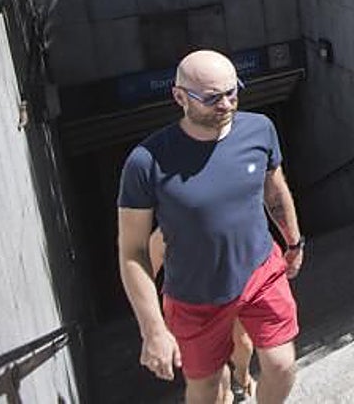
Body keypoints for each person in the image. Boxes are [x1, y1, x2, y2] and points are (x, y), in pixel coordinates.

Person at [117, 50, 305, 404]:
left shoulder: (260, 129)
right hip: (194, 298)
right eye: (212, 98)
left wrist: (293, 242)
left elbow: (274, 190)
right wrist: (152, 328)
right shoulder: (145, 163)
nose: (226, 104)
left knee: (282, 366)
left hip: (260, 273)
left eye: (232, 92)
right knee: (206, 390)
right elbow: (133, 251)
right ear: (179, 97)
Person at [149, 229, 256, 403]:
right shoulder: (165, 233)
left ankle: (242, 374)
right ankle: (225, 395)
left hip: (230, 291)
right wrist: (154, 326)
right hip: (188, 308)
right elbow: (145, 275)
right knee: (212, 368)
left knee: (243, 344)